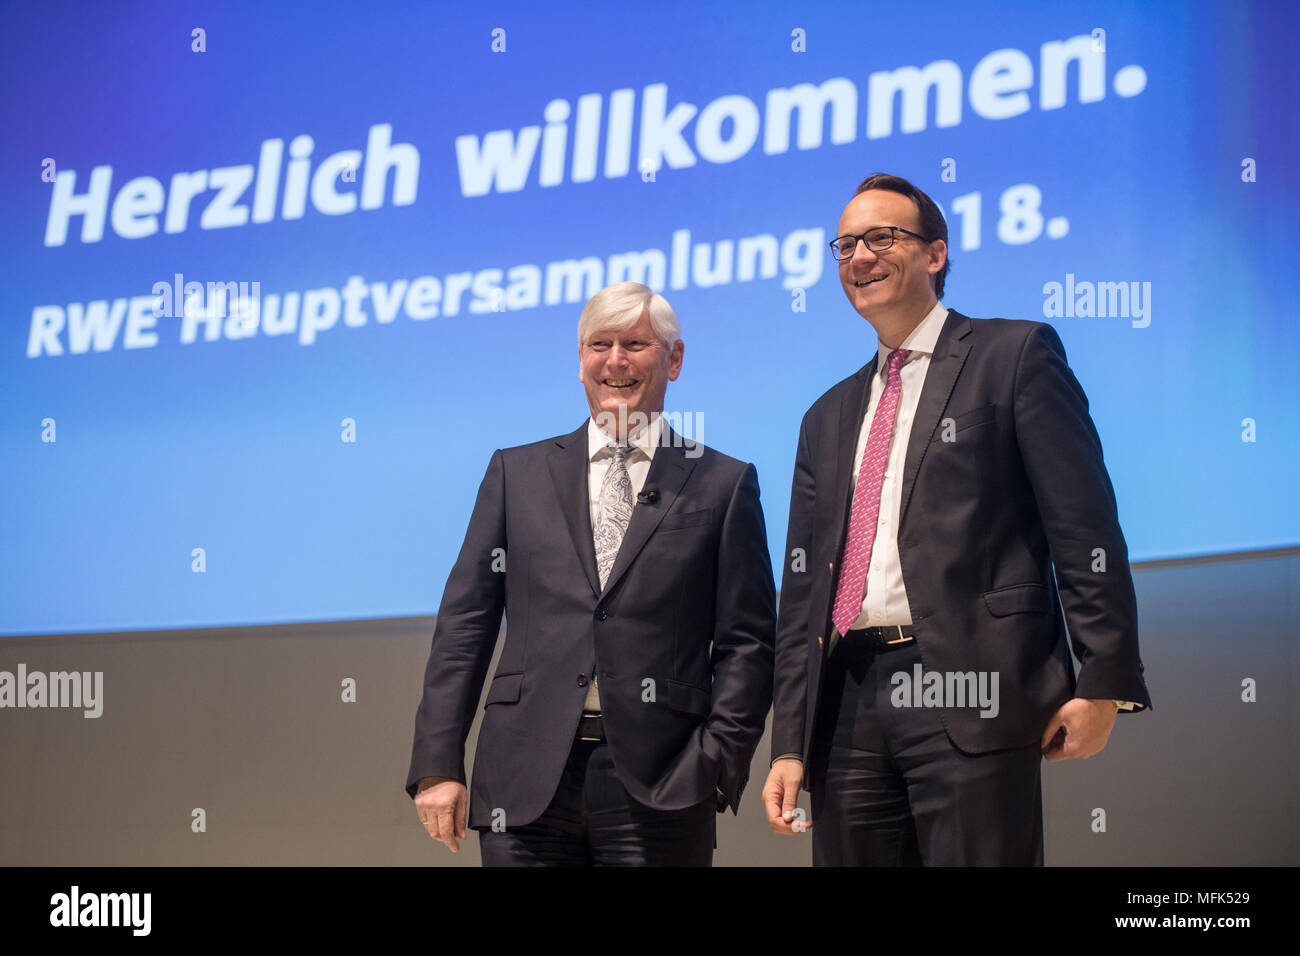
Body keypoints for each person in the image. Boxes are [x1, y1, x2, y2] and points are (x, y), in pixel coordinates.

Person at [763, 173, 1151, 865]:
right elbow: (803, 600)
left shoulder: (1014, 356)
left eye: (882, 237)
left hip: (970, 685)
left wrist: (1104, 681)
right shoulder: (824, 416)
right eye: (845, 244)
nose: (859, 256)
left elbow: (1084, 527)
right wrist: (790, 740)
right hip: (847, 702)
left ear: (935, 254)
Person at [406, 280, 775, 866]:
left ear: (674, 359)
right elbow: (465, 626)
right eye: (599, 344)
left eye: (636, 343)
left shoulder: (723, 483)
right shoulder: (515, 473)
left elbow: (748, 643)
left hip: (664, 784)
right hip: (523, 783)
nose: (616, 361)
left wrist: (716, 762)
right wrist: (437, 764)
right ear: (580, 360)